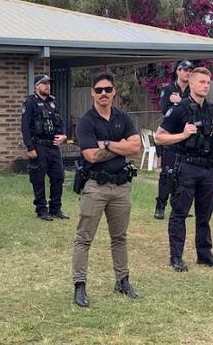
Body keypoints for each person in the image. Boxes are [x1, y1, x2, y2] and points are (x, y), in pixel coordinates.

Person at [71, 72, 142, 307]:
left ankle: (122, 281)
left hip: (121, 187)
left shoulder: (123, 118)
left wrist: (108, 144)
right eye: (99, 90)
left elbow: (137, 147)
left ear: (114, 92)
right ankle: (80, 286)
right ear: (92, 92)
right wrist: (122, 146)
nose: (103, 93)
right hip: (96, 186)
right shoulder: (86, 122)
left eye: (108, 89)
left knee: (120, 237)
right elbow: (91, 155)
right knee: (84, 238)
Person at [154, 67, 213, 272]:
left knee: (205, 215)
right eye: (201, 82)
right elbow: (158, 137)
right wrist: (183, 135)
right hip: (186, 167)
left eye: (208, 83)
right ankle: (176, 257)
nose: (205, 86)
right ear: (192, 84)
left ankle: (204, 254)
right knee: (179, 213)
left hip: (207, 168)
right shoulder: (179, 109)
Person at [20, 75, 70, 221]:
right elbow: (25, 127)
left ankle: (56, 208)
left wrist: (63, 136)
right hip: (38, 145)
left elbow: (59, 122)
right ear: (36, 86)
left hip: (53, 146)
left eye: (49, 83)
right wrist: (30, 147)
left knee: (58, 177)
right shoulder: (30, 103)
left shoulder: (53, 103)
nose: (47, 86)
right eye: (44, 83)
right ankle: (41, 210)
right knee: (38, 178)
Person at [155, 60, 194, 220]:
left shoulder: (193, 91)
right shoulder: (168, 90)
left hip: (187, 138)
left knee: (184, 175)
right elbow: (165, 110)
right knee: (167, 174)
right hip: (170, 137)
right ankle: (160, 206)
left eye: (190, 70)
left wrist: (179, 102)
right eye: (184, 69)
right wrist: (179, 104)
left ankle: (180, 206)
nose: (187, 72)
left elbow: (195, 111)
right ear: (177, 71)